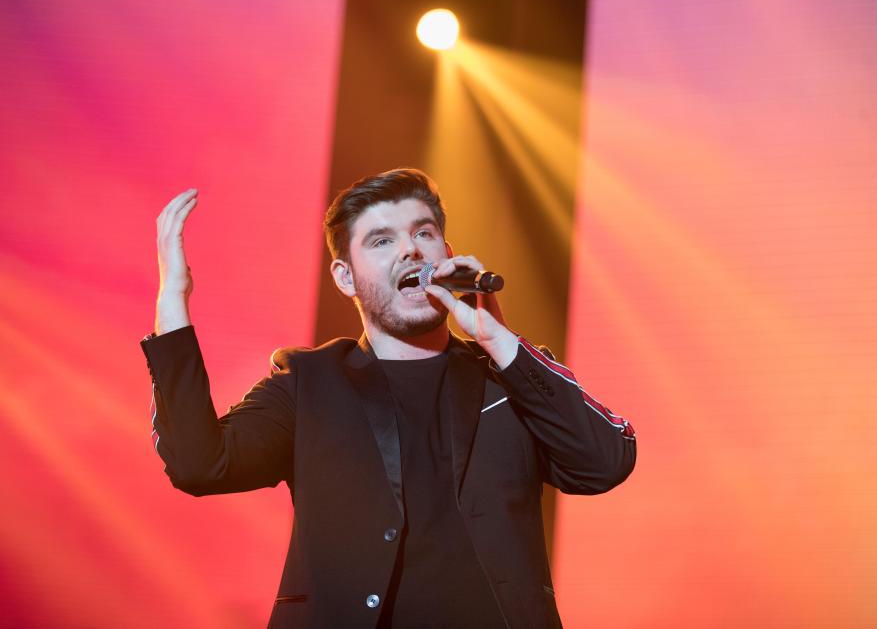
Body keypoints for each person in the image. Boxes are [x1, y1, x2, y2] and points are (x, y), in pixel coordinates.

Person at [141, 168, 635, 628]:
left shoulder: (510, 376)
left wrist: (499, 340)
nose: (411, 251)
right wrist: (173, 298)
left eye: (423, 234)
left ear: (447, 252)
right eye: (382, 240)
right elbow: (199, 464)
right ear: (345, 277)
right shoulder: (309, 383)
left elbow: (605, 461)